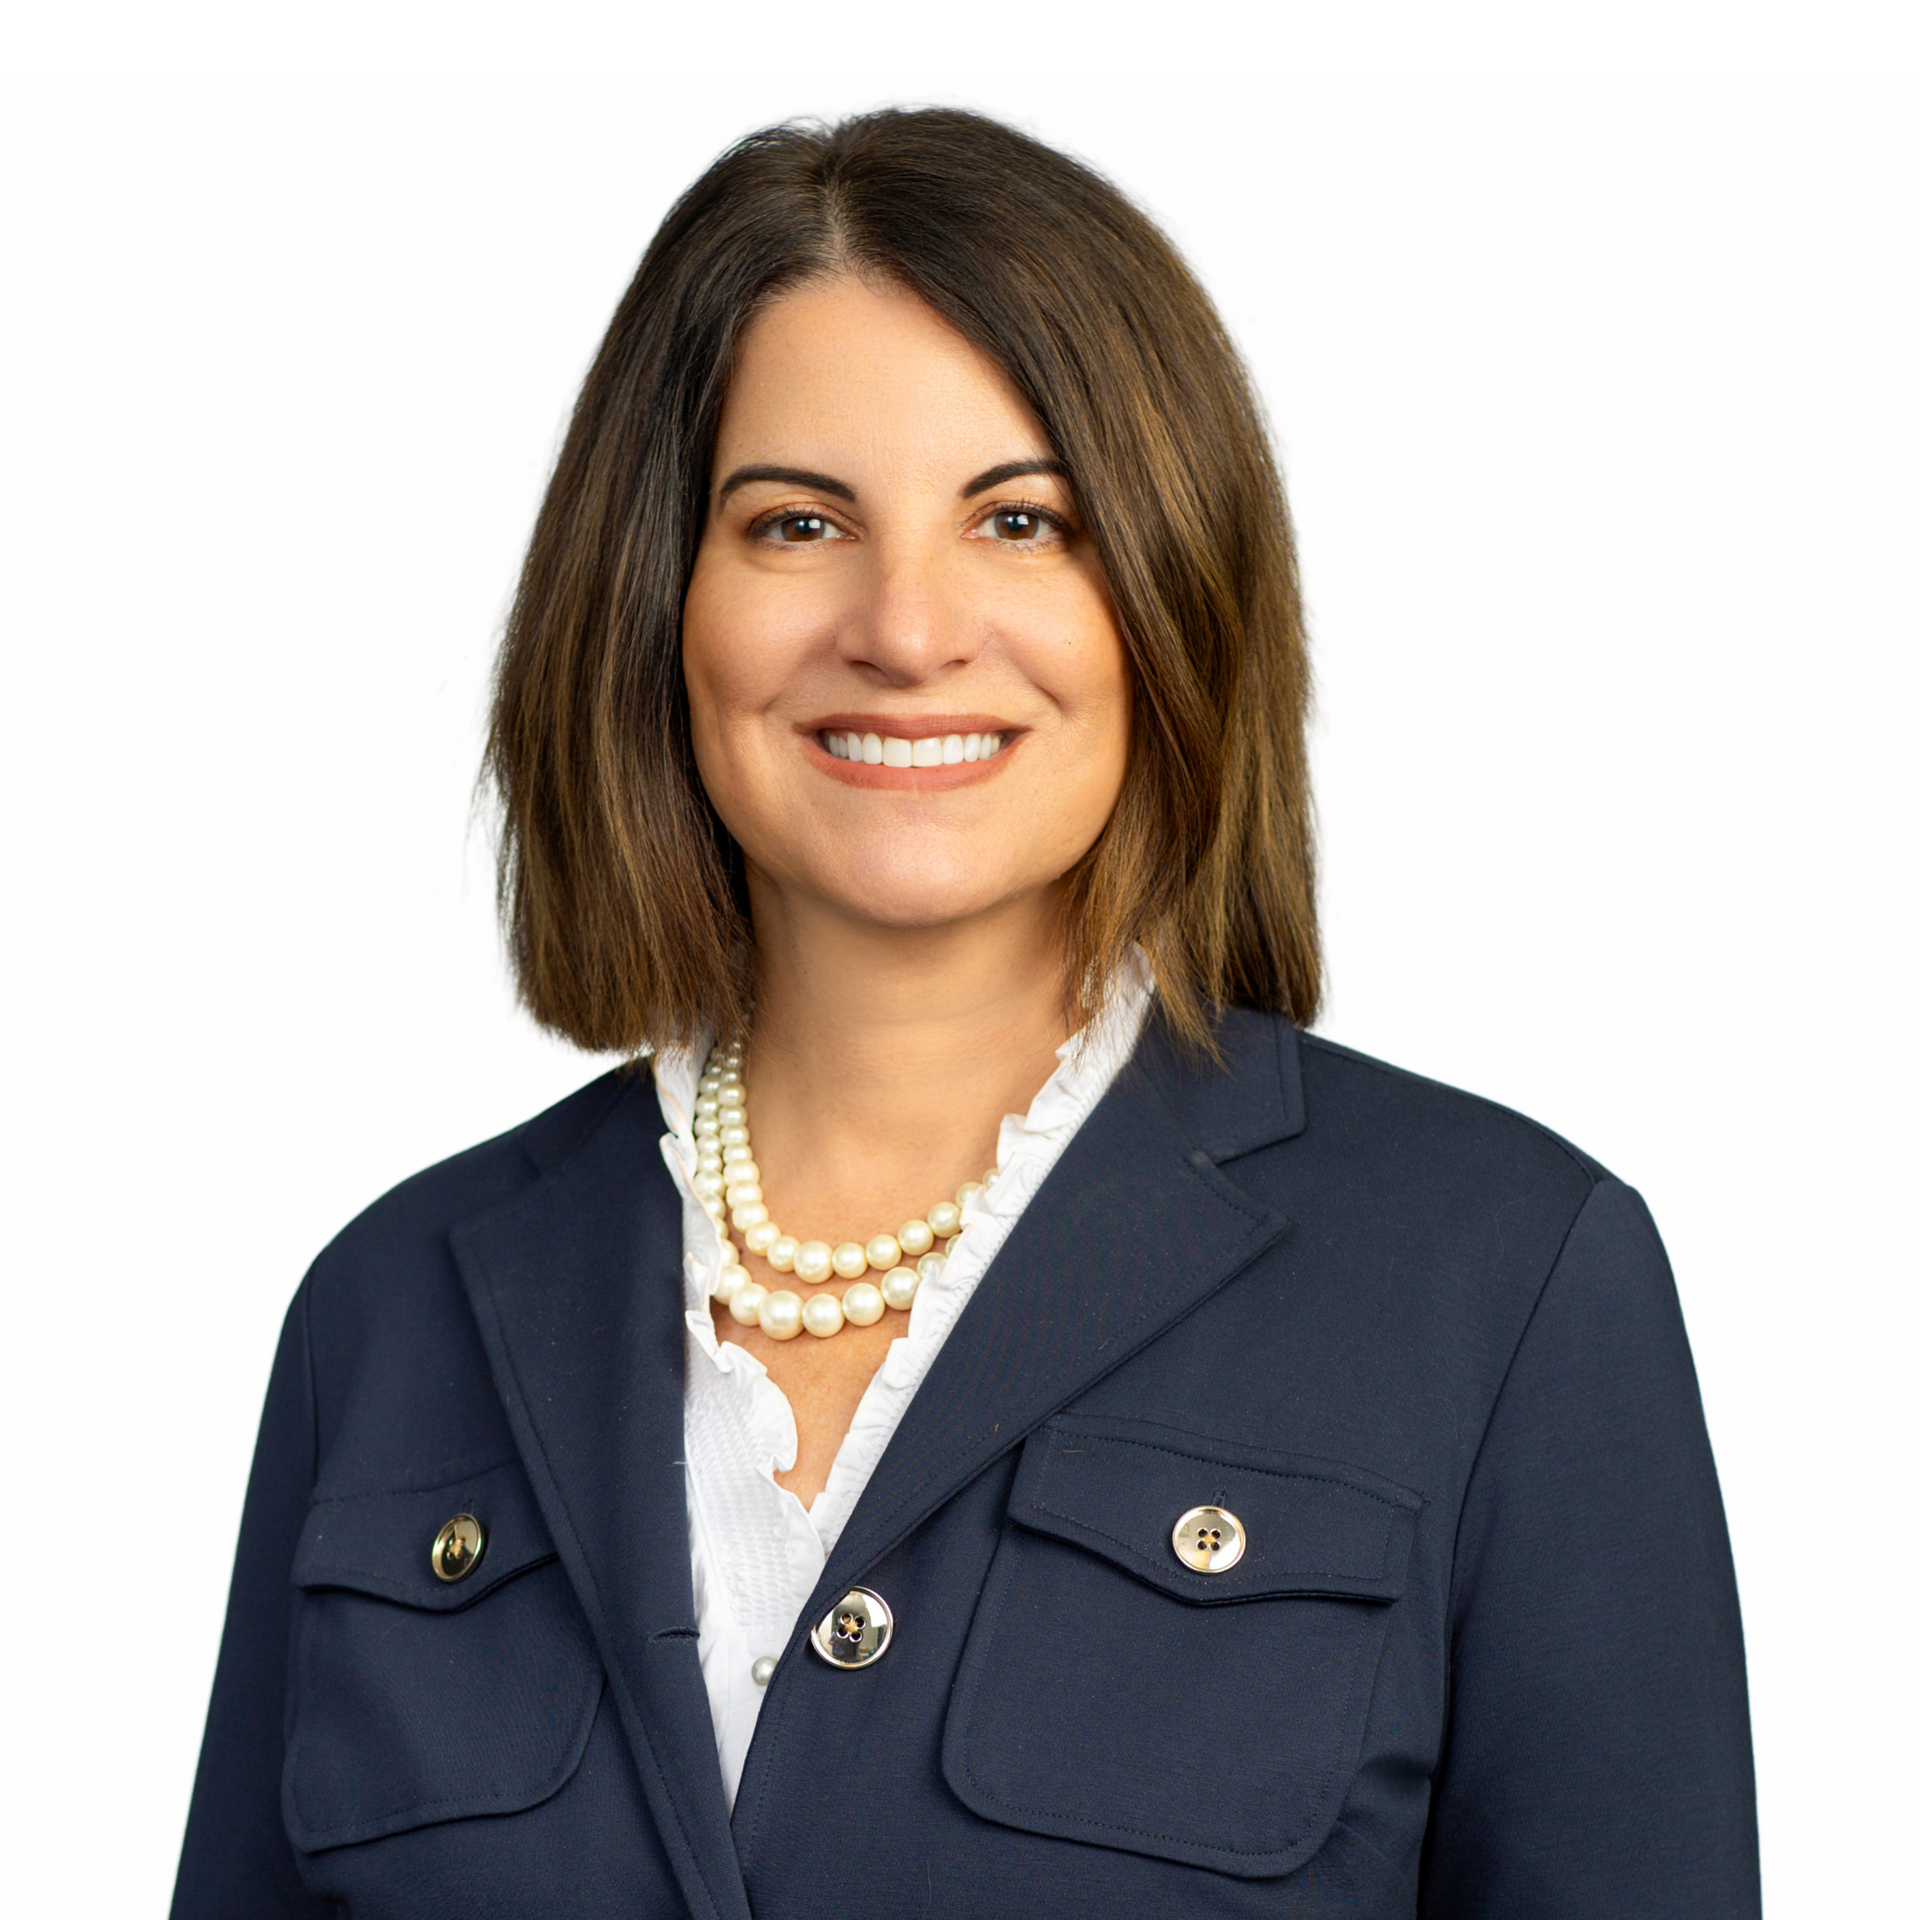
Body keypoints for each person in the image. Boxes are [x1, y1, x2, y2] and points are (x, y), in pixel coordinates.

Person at [171, 108, 1761, 1917]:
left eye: (1022, 520)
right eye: (795, 522)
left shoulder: (1506, 1284)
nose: (907, 626)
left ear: (1169, 592)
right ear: (657, 603)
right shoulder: (390, 1313)